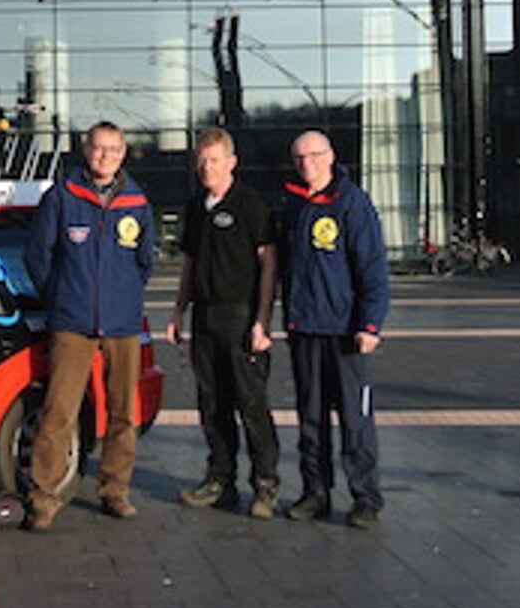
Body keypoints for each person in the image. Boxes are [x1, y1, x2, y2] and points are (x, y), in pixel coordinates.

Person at [24, 121, 157, 530]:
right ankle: (43, 499)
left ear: (123, 154)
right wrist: (62, 297)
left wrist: (124, 299)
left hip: (121, 324)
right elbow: (38, 257)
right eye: (99, 149)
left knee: (122, 413)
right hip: (72, 323)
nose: (106, 156)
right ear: (86, 150)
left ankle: (115, 491)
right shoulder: (62, 197)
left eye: (113, 150)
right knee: (58, 413)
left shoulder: (137, 201)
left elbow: (144, 263)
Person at [164, 128, 281, 518]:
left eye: (214, 160)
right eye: (201, 160)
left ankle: (265, 485)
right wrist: (179, 311)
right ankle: (221, 480)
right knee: (212, 405)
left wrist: (263, 320)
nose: (206, 167)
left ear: (231, 162)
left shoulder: (251, 205)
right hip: (205, 317)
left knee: (250, 403)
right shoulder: (197, 207)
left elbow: (269, 263)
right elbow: (190, 262)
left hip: (241, 315)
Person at [278, 130, 390, 529]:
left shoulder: (352, 204)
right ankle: (315, 492)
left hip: (345, 332)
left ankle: (366, 497)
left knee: (354, 420)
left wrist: (371, 323)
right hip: (305, 328)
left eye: (313, 155)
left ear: (330, 156)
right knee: (310, 419)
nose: (306, 163)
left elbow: (373, 269)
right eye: (299, 157)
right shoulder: (292, 205)